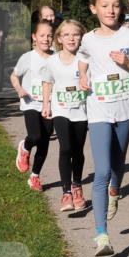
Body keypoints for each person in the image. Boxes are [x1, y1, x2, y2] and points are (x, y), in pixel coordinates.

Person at [79, 0, 129, 257]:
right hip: (98, 109)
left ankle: (115, 191)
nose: (110, 10)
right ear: (93, 9)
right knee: (101, 170)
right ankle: (101, 236)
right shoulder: (87, 39)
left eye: (115, 5)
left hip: (125, 109)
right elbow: (83, 61)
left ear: (121, 7)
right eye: (104, 5)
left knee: (118, 164)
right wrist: (81, 76)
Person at [41, 19, 88, 213]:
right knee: (65, 147)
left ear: (81, 37)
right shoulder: (52, 61)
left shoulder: (86, 59)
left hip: (81, 111)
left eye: (75, 34)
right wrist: (45, 104)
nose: (71, 38)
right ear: (59, 38)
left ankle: (77, 186)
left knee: (77, 150)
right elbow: (47, 82)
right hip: (60, 110)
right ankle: (66, 192)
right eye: (66, 34)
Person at [11, 19, 55, 191]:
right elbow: (14, 76)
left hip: (50, 104)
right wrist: (19, 89)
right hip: (30, 102)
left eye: (50, 36)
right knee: (35, 136)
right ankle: (25, 146)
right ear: (34, 37)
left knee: (45, 142)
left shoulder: (56, 58)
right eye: (42, 35)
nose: (46, 39)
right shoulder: (27, 57)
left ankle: (35, 177)